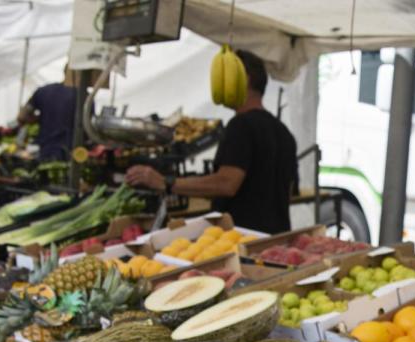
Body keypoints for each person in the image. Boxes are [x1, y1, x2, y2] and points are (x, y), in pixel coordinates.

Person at [126, 50, 296, 234]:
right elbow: (288, 191)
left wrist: (165, 182)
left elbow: (226, 184)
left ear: (245, 79)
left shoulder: (241, 126)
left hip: (244, 242)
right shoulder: (283, 131)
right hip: (275, 240)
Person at [17, 66, 79, 161]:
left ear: (64, 71)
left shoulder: (43, 91)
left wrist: (41, 118)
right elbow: (88, 129)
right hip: (72, 153)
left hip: (44, 149)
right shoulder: (85, 98)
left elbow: (22, 117)